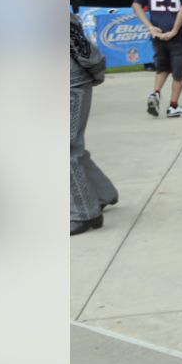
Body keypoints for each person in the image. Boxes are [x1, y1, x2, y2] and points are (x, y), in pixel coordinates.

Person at [70, 15, 118, 235]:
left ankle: (85, 213)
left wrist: (96, 72)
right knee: (72, 148)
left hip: (72, 85)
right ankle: (102, 193)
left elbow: (81, 45)